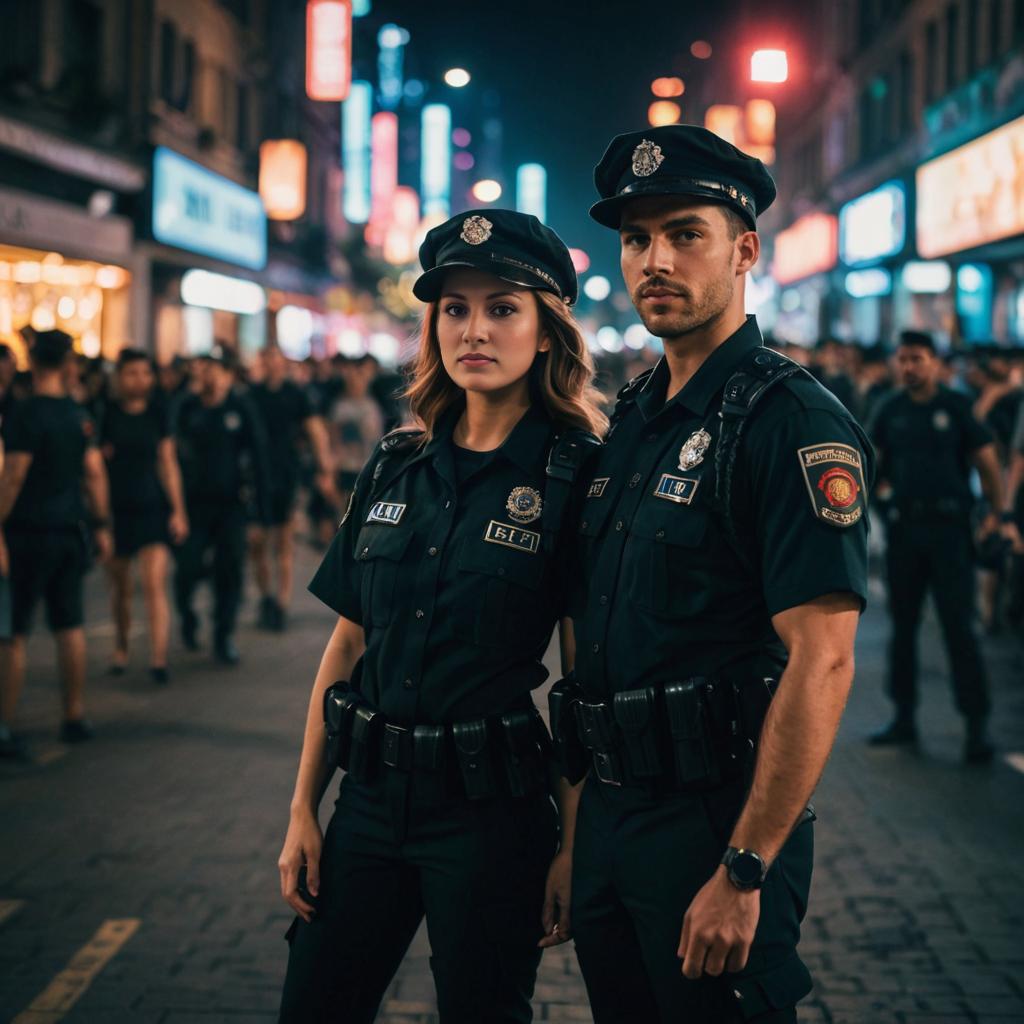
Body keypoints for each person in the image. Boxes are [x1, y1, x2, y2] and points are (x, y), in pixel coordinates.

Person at [550, 125, 873, 1023]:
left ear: (744, 250)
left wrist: (745, 869)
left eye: (685, 233)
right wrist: (579, 837)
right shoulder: (633, 420)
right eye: (637, 237)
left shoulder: (790, 423)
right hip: (614, 822)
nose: (655, 259)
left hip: (714, 827)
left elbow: (825, 661)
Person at [276, 210, 607, 1023]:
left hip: (491, 818)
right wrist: (301, 812)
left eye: (503, 308)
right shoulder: (396, 464)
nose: (475, 330)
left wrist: (572, 847)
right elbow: (347, 643)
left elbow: (585, 680)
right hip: (369, 804)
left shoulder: (576, 478)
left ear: (546, 330)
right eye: (454, 308)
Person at [868, 331, 1012, 762]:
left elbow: (987, 459)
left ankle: (976, 726)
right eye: (904, 359)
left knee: (958, 628)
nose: (909, 366)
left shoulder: (955, 406)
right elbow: (872, 461)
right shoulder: (889, 409)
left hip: (950, 532)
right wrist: (880, 497)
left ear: (934, 362)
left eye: (918, 359)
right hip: (905, 531)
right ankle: (904, 717)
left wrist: (997, 513)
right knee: (904, 627)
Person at [0, 330, 113, 759]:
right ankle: (74, 715)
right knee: (70, 626)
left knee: (14, 633)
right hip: (70, 530)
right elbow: (95, 473)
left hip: (28, 532)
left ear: (33, 359)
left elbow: (12, 477)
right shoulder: (77, 414)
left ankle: (5, 726)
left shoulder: (25, 414)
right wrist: (101, 524)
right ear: (67, 362)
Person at [173, 344, 270, 665]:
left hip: (232, 506)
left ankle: (223, 634)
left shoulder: (241, 409)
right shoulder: (186, 407)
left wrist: (258, 513)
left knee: (229, 572)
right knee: (187, 568)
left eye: (218, 370)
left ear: (229, 376)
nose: (212, 376)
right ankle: (187, 615)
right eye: (207, 369)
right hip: (193, 507)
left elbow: (258, 460)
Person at [100, 349, 189, 684]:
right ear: (119, 377)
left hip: (153, 507)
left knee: (154, 584)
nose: (140, 379)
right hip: (117, 511)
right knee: (120, 587)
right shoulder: (106, 414)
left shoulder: (158, 412)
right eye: (132, 373)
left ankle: (158, 658)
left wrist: (179, 511)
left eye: (145, 373)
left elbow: (168, 464)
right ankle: (121, 649)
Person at [247, 346, 334, 631]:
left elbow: (315, 431)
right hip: (256, 476)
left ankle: (282, 603)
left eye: (275, 360)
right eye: (266, 359)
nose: (270, 365)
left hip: (286, 473)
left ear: (283, 364)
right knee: (257, 542)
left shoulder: (296, 394)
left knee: (283, 542)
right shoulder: (250, 395)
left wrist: (324, 467)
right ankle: (266, 598)